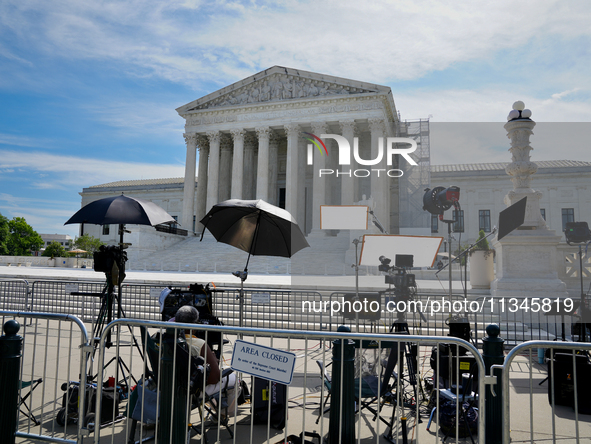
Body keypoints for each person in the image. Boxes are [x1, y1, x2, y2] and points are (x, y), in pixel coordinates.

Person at [174, 305, 238, 417]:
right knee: (233, 379)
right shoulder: (199, 344)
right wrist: (214, 362)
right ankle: (223, 415)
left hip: (169, 387)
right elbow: (214, 379)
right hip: (194, 391)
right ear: (194, 325)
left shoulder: (163, 338)